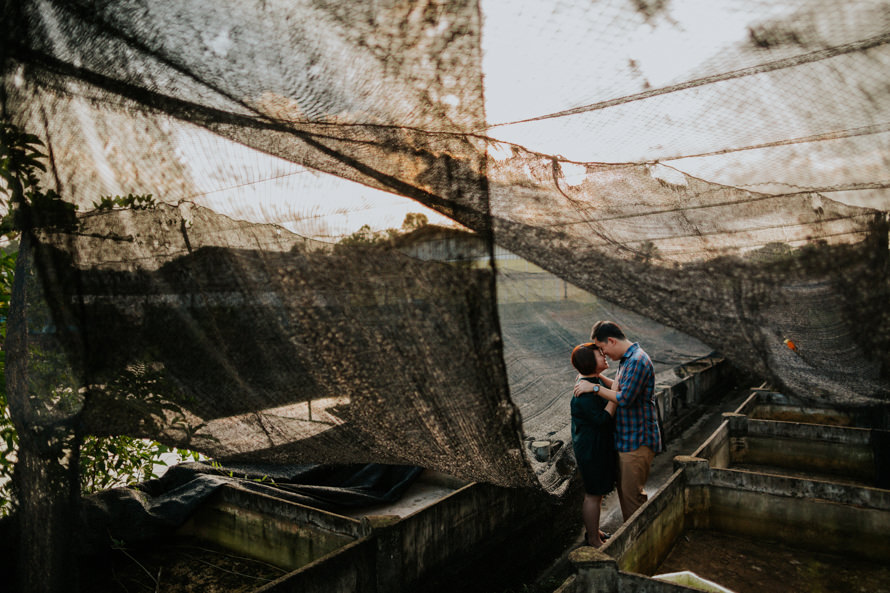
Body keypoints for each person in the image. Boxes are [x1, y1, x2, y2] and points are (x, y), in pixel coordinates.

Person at [573, 320, 662, 521]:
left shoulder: (637, 360)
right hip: (627, 439)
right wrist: (592, 378)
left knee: (632, 500)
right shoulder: (628, 359)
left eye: (603, 348)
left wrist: (595, 388)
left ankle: (640, 542)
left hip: (637, 440)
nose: (605, 355)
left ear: (611, 341)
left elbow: (625, 397)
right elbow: (623, 387)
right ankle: (637, 539)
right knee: (628, 496)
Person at [570, 342, 617, 548]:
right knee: (593, 495)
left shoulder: (590, 381)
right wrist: (615, 399)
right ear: (590, 362)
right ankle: (593, 539)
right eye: (600, 354)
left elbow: (606, 384)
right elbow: (602, 420)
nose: (604, 356)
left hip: (594, 446)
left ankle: (593, 531)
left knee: (597, 494)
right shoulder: (584, 394)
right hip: (591, 450)